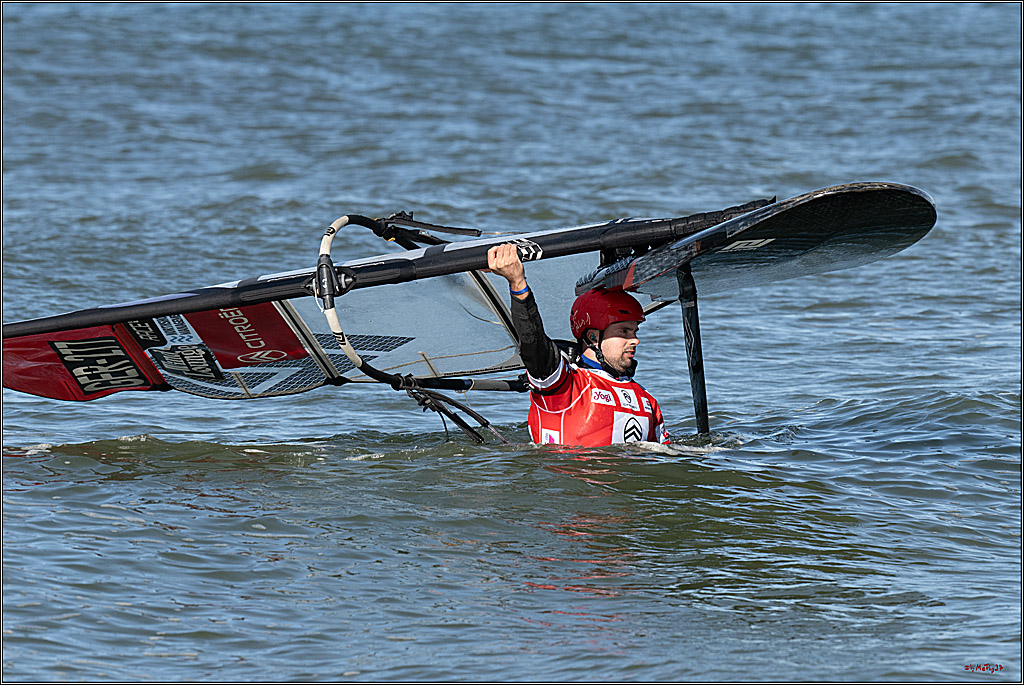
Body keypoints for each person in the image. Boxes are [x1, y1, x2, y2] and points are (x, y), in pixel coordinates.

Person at [487, 243, 670, 447]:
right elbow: (533, 343)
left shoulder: (648, 401)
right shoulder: (565, 384)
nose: (635, 339)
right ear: (593, 337)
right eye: (624, 332)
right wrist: (517, 283)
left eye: (635, 331)